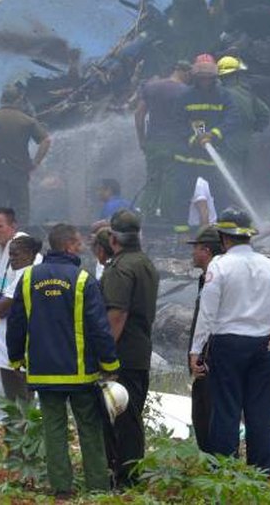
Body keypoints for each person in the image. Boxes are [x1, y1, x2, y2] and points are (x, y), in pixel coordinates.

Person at [188, 209, 270, 475]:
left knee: (226, 410)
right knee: (259, 412)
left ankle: (225, 471)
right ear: (249, 237)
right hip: (263, 346)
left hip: (227, 346)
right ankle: (261, 471)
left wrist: (196, 351)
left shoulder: (219, 266)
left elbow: (207, 314)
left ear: (223, 238)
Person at [7, 223, 120, 497]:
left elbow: (17, 322)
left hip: (44, 372)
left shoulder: (29, 278)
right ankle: (97, 488)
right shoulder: (82, 280)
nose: (81, 245)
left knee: (53, 431)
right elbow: (99, 327)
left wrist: (15, 359)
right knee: (90, 430)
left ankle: (61, 489)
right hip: (80, 372)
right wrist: (110, 365)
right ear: (68, 245)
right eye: (78, 241)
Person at [100, 209, 160, 487]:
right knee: (132, 417)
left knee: (121, 419)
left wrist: (105, 356)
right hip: (139, 350)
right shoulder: (145, 262)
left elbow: (116, 315)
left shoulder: (120, 267)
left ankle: (124, 477)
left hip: (122, 354)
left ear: (113, 239)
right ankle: (130, 474)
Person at [171, 55, 242, 228]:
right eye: (201, 78)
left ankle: (225, 230)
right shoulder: (185, 96)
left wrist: (214, 134)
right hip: (188, 156)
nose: (204, 82)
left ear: (214, 78)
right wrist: (193, 138)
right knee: (182, 194)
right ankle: (181, 232)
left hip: (213, 154)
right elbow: (177, 122)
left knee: (221, 194)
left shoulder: (224, 96)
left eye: (208, 78)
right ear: (195, 77)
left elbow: (233, 118)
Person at [0, 208, 38, 407]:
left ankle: (25, 436)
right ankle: (10, 434)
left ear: (13, 226)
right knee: (3, 399)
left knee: (23, 399)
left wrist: (1, 306)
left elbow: (16, 295)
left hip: (20, 331)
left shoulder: (24, 248)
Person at [0, 84, 52, 223]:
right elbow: (45, 140)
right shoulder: (27, 121)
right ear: (17, 100)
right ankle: (19, 239)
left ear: (2, 99)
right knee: (20, 208)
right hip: (19, 169)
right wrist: (35, 163)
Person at [134, 60, 192, 221]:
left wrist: (142, 140)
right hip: (175, 145)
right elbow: (197, 119)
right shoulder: (186, 92)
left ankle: (147, 216)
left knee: (152, 179)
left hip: (152, 143)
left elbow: (139, 115)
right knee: (170, 181)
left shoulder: (150, 87)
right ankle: (166, 219)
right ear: (185, 72)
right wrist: (203, 135)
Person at [185, 225, 223, 452]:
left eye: (196, 248)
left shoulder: (215, 278)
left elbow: (208, 320)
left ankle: (216, 460)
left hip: (211, 357)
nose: (193, 253)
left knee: (208, 411)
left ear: (207, 251)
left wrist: (198, 355)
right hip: (205, 356)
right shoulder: (205, 278)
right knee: (201, 410)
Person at [217, 56, 270, 179]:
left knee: (229, 179)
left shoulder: (218, 95)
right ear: (236, 75)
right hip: (249, 144)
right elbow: (265, 114)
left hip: (226, 145)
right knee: (247, 179)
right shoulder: (247, 93)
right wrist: (254, 128)